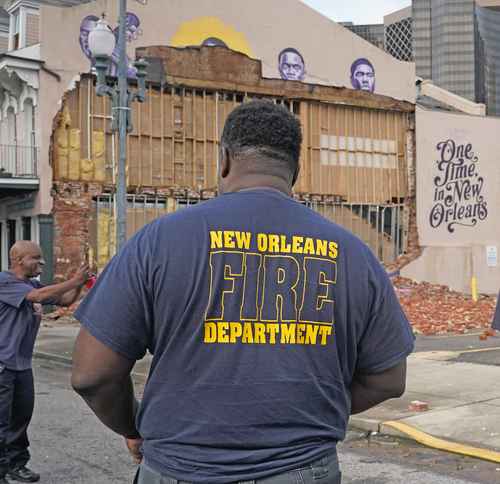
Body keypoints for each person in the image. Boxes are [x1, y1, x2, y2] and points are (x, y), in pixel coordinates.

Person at [71, 100, 414, 483]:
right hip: (302, 470)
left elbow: (92, 375)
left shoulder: (158, 241)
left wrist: (133, 427)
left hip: (180, 469)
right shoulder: (353, 254)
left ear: (225, 161)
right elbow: (388, 379)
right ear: (295, 170)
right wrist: (314, 413)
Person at [0, 241, 90, 484]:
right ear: (18, 260)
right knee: (1, 422)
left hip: (21, 365)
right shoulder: (5, 282)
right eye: (35, 258)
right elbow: (39, 296)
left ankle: (16, 465)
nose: (41, 262)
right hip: (2, 365)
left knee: (20, 418)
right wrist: (73, 281)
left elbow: (63, 300)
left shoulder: (31, 284)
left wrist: (81, 282)